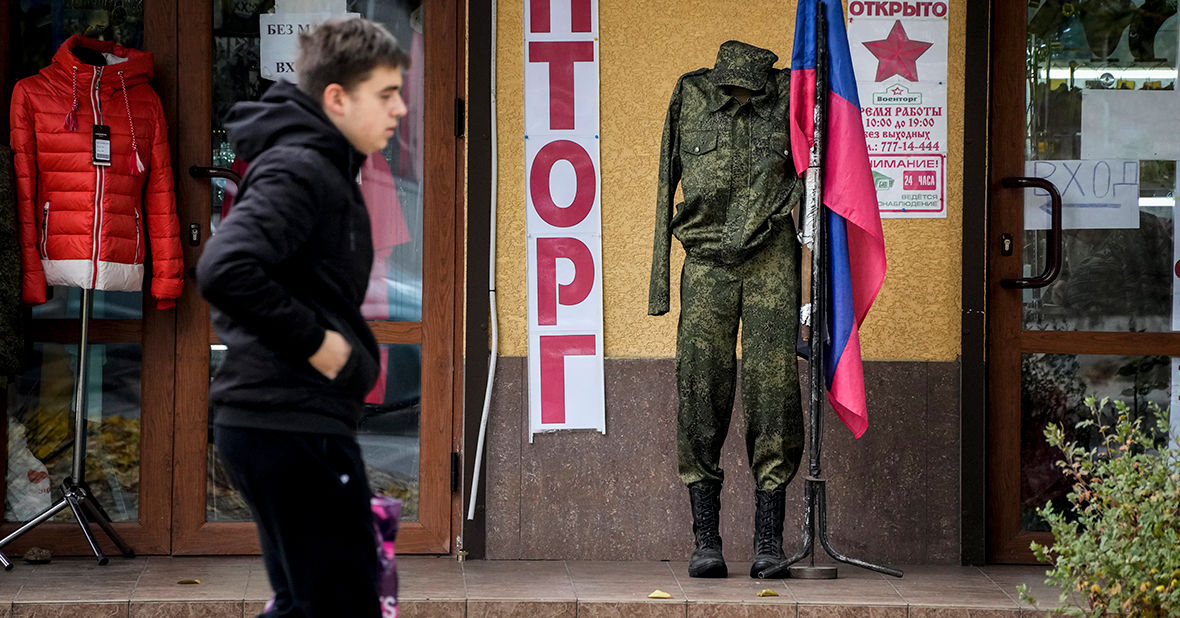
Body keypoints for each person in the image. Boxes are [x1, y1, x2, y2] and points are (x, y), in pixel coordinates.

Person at [196, 17, 408, 618]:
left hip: (289, 422)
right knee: (339, 605)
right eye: (386, 95)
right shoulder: (300, 169)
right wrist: (320, 344)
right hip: (286, 423)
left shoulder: (323, 165)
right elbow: (225, 268)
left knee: (307, 604)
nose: (399, 110)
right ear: (337, 98)